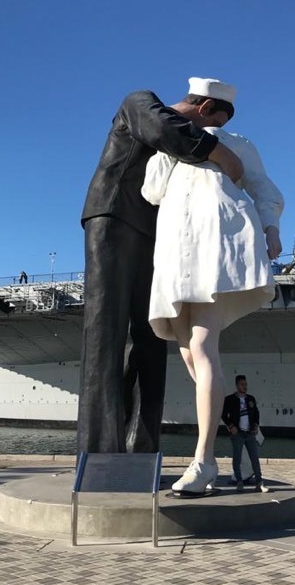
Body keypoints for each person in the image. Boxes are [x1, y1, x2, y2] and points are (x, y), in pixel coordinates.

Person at [77, 79, 244, 454]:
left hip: (157, 235)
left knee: (152, 336)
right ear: (204, 109)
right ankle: (99, 453)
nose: (208, 135)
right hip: (113, 218)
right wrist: (222, 154)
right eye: (210, 124)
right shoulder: (138, 101)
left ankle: (143, 450)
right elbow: (164, 129)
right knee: (105, 332)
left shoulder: (186, 142)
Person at [142, 79, 284, 493]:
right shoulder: (236, 144)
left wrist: (165, 145)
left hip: (203, 242)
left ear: (203, 107)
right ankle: (208, 450)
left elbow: (151, 190)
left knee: (201, 350)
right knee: (191, 355)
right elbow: (264, 190)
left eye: (186, 105)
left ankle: (204, 459)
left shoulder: (199, 143)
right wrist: (271, 230)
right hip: (188, 245)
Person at [221, 375, 267, 492]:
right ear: (237, 385)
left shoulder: (250, 398)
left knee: (254, 458)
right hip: (237, 434)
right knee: (237, 459)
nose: (245, 387)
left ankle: (259, 482)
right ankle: (239, 481)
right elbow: (223, 415)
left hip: (250, 433)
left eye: (245, 384)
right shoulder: (229, 399)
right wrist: (231, 426)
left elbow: (256, 414)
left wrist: (256, 425)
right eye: (242, 384)